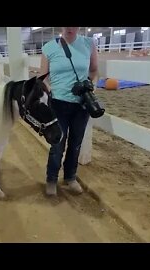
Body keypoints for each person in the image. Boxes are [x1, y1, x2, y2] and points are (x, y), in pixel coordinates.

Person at [39, 27, 98, 196]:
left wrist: (90, 86)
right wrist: (51, 91)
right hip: (58, 104)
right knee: (57, 144)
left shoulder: (88, 44)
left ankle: (70, 177)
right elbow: (43, 77)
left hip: (81, 105)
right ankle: (51, 179)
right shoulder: (49, 47)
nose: (70, 28)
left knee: (75, 143)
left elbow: (93, 70)